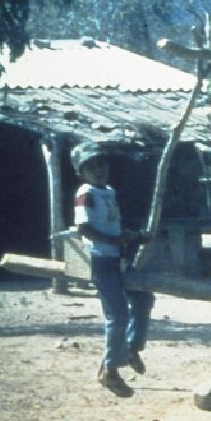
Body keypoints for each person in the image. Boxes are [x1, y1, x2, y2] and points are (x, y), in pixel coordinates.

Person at [72, 141, 154, 398]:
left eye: (101, 163)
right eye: (91, 166)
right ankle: (109, 370)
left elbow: (112, 227)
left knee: (142, 297)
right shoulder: (85, 193)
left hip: (117, 258)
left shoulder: (109, 191)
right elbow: (83, 229)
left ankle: (131, 347)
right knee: (117, 313)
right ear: (81, 173)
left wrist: (132, 236)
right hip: (100, 260)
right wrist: (114, 241)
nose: (99, 169)